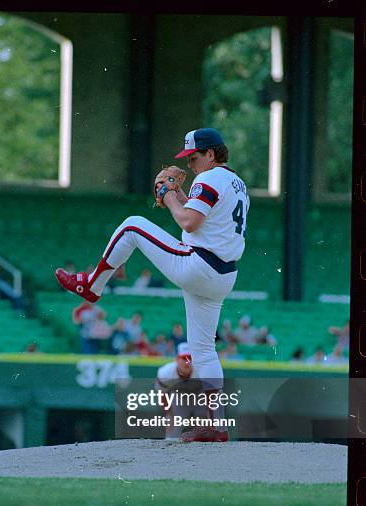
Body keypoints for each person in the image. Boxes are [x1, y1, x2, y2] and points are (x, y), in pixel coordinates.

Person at [56, 127, 249, 442]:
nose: (189, 164)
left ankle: (91, 285)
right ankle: (217, 424)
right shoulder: (236, 184)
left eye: (194, 157)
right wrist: (179, 197)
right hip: (223, 276)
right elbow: (202, 217)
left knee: (132, 226)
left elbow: (188, 221)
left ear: (211, 154)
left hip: (199, 265)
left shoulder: (210, 179)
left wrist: (170, 195)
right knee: (203, 351)